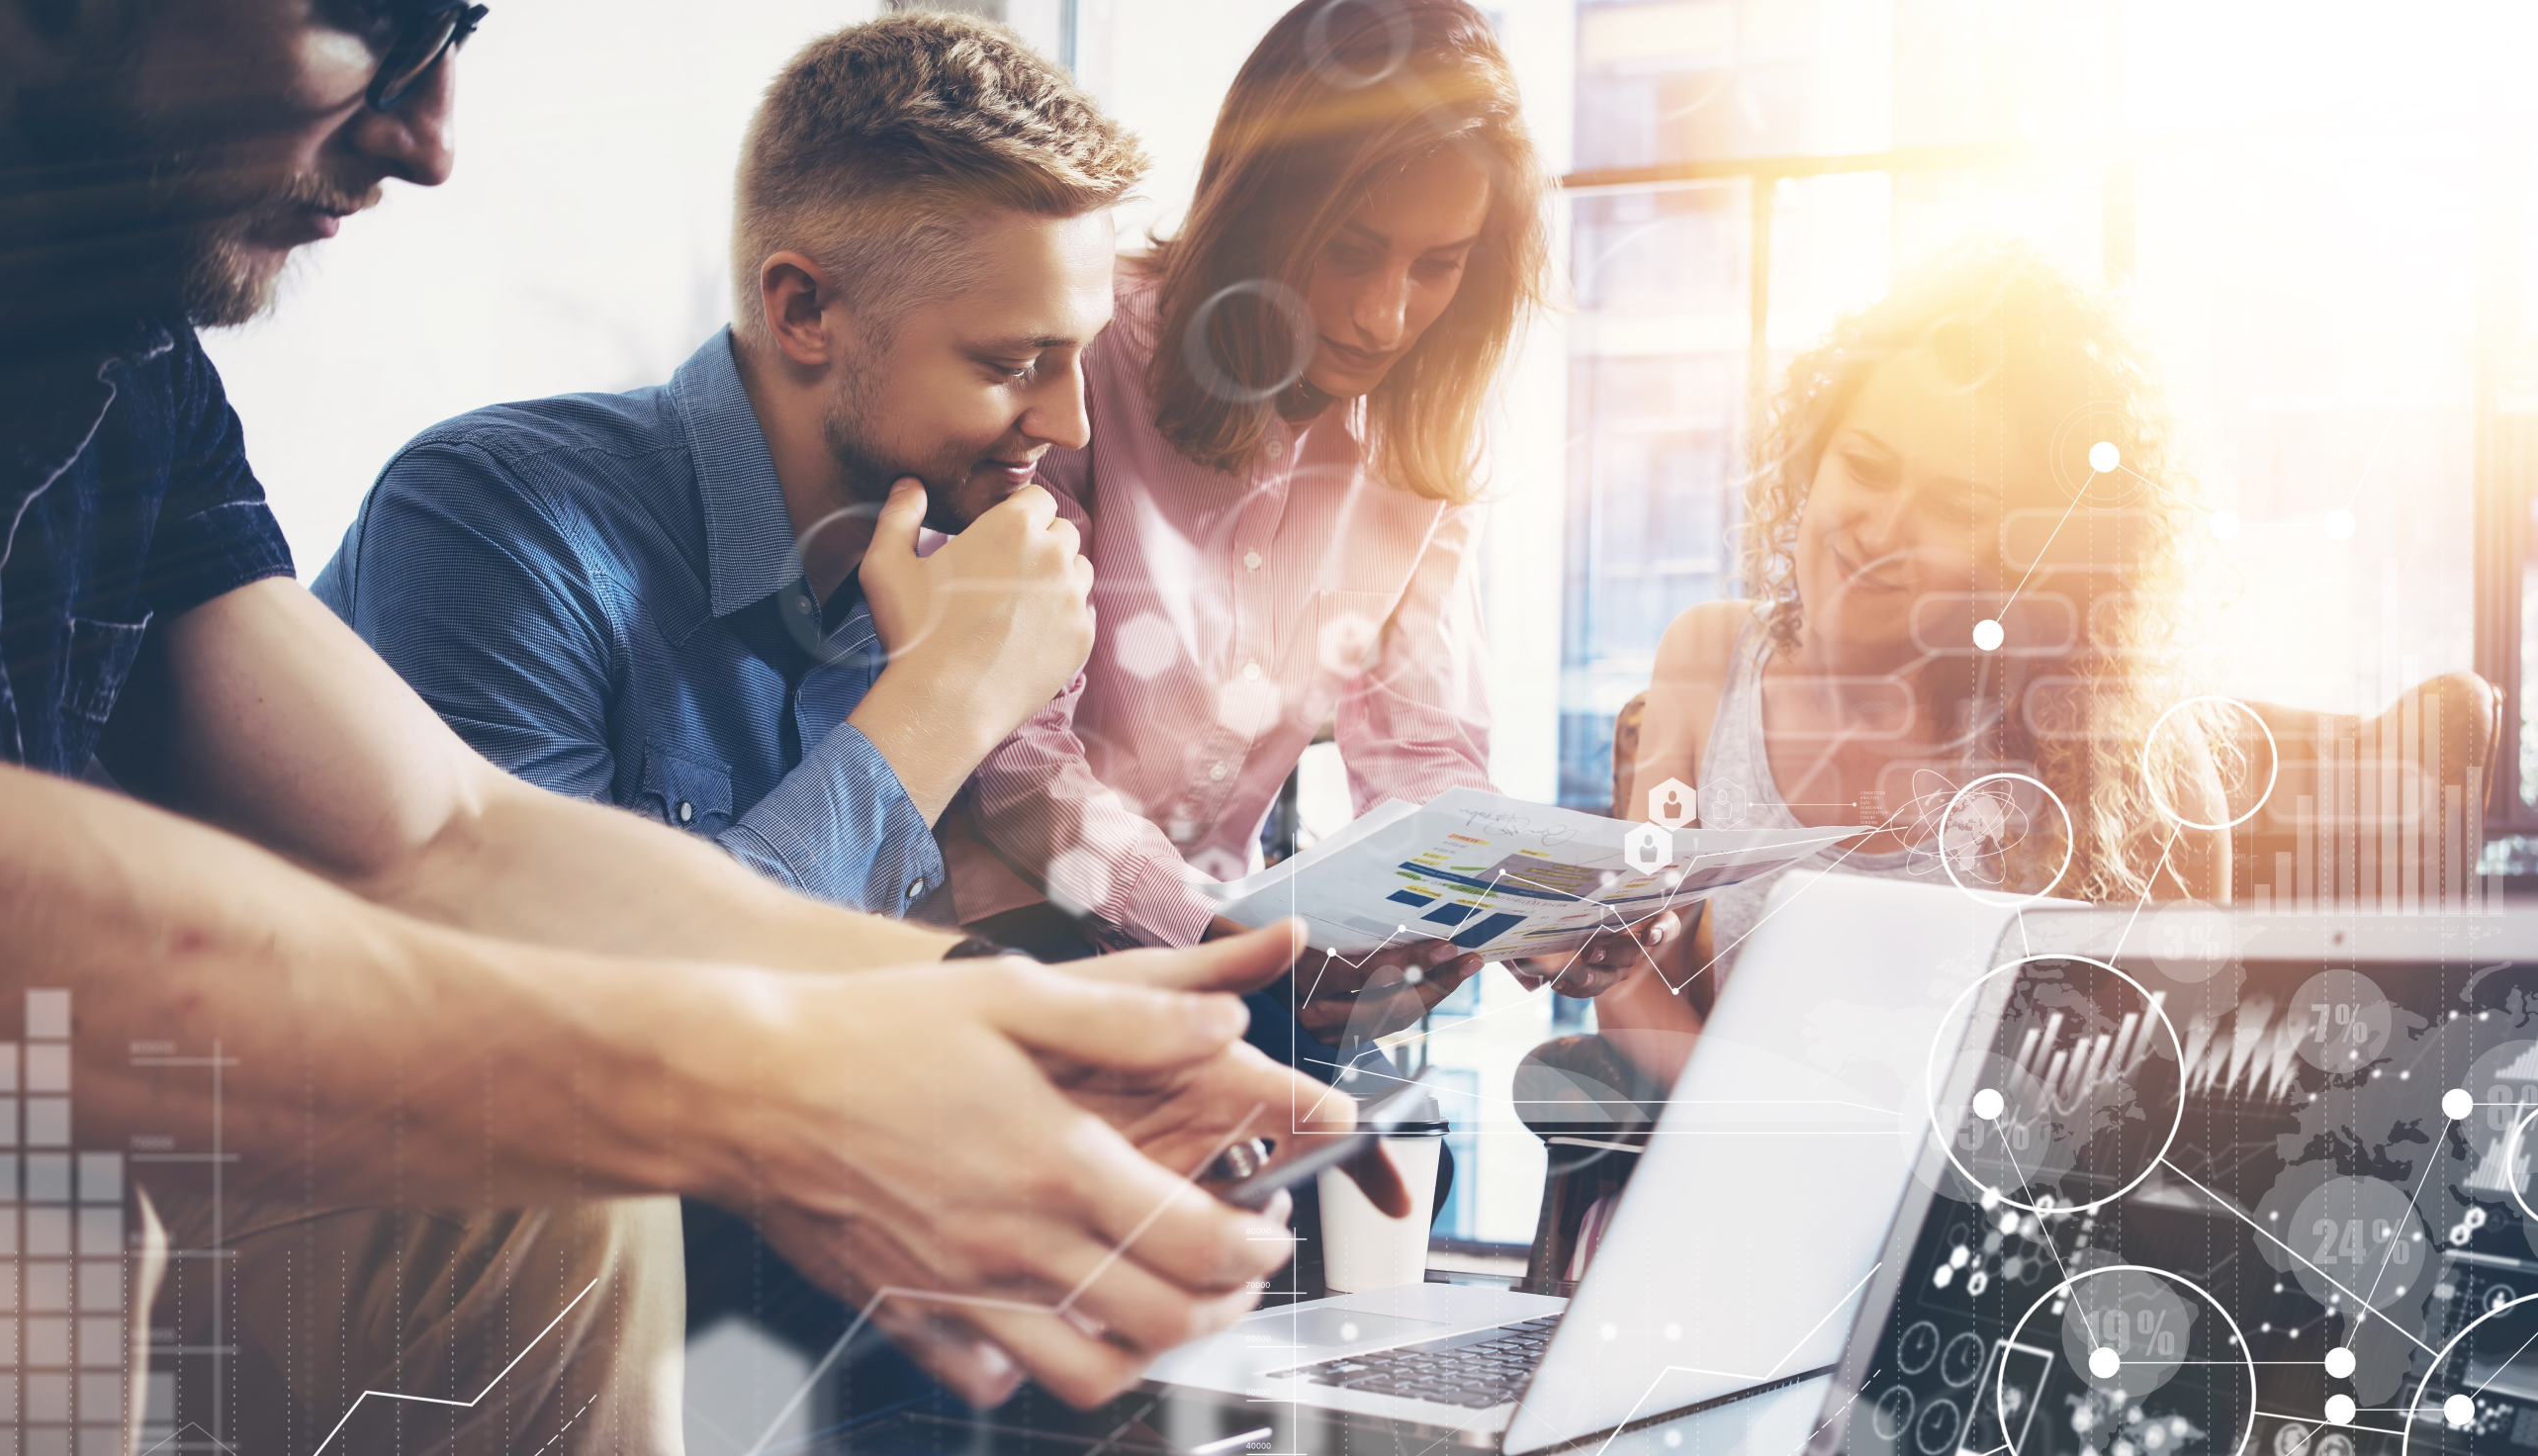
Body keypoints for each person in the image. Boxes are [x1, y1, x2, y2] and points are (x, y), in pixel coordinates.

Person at [0, 3, 1394, 1451]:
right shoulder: (506, 513)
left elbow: (446, 828)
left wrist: (1000, 1023)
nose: (433, 140)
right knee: (547, 1196)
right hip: (179, 1180)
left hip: (723, 1316)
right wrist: (928, 739)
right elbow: (487, 984)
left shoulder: (126, 365)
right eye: (372, 18)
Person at [307, 9, 1196, 1404]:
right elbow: (559, 1056)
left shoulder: (946, 562)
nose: (1073, 425)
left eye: (1076, 356)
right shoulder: (494, 520)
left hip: (766, 1322)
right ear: (803, 312)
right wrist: (946, 704)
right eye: (1012, 362)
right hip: (412, 1281)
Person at [943, 0, 1553, 1063]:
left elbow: (1421, 752)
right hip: (1001, 938)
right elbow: (1014, 768)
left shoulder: (1415, 448)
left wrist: (1499, 910)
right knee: (1286, 1149)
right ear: (1263, 210)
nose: (1383, 314)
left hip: (1216, 952)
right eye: (1349, 251)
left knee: (1383, 1158)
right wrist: (1234, 937)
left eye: (1437, 265)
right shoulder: (1081, 364)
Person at [1570, 245, 2233, 1090]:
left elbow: (2178, 1076)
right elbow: (1629, 971)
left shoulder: (2126, 755)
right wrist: (1767, 1139)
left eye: (1956, 506)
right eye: (1866, 467)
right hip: (1732, 1164)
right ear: (1815, 455)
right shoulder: (1706, 659)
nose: (1877, 533)